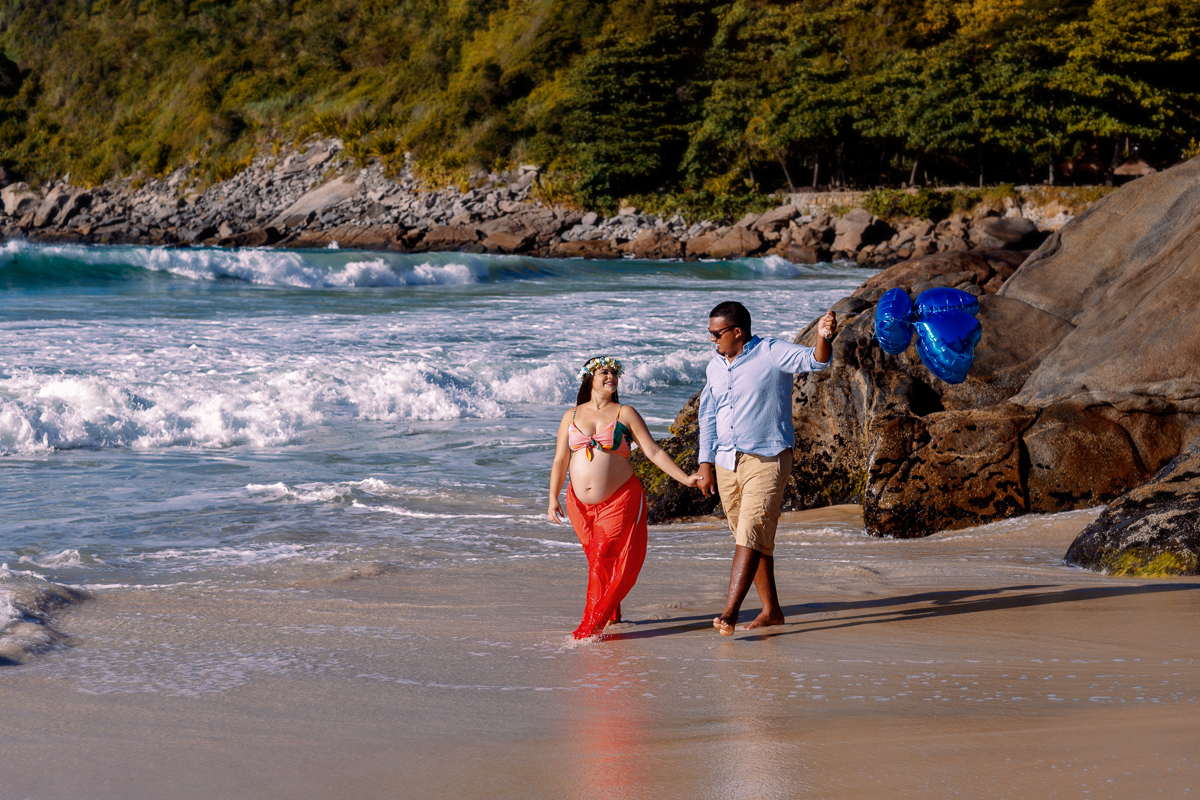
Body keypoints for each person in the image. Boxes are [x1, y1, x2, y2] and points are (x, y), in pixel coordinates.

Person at [696, 301, 837, 636]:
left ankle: (730, 611)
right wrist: (705, 463)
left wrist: (823, 336)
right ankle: (772, 611)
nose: (712, 340)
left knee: (750, 532)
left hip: (767, 458)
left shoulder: (771, 352)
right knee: (754, 537)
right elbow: (708, 416)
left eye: (717, 334)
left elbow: (816, 361)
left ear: (737, 332)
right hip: (726, 462)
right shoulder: (714, 367)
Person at [549, 355, 701, 639]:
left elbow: (653, 451)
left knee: (601, 556)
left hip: (619, 498)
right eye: (604, 372)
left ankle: (588, 628)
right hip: (579, 504)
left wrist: (686, 478)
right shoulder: (570, 416)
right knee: (598, 558)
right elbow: (560, 460)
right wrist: (552, 498)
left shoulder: (625, 413)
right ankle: (612, 613)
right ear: (589, 377)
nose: (611, 377)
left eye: (614, 373)